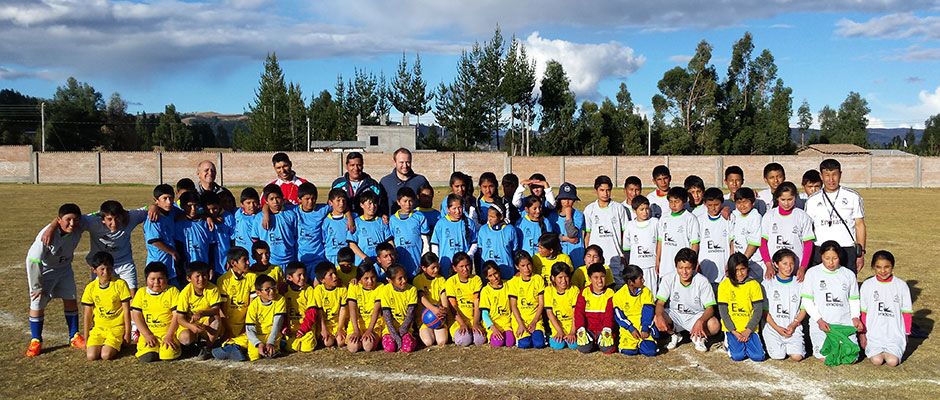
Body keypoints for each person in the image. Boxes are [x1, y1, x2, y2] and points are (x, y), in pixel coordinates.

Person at [25, 203, 86, 357]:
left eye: (75, 219)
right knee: (37, 302)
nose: (72, 223)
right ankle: (36, 340)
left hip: (65, 268)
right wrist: (36, 286)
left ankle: (74, 336)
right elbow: (33, 260)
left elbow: (98, 214)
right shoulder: (45, 236)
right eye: (68, 219)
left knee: (70, 298)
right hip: (45, 271)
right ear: (59, 220)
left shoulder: (78, 224)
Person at [801, 240, 864, 361]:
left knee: (852, 358)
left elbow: (854, 299)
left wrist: (855, 317)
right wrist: (819, 320)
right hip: (822, 324)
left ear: (839, 256)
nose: (831, 262)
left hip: (844, 323)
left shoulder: (849, 274)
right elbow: (807, 300)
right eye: (827, 258)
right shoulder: (812, 273)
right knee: (825, 357)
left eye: (834, 258)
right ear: (821, 256)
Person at [805, 159, 867, 273]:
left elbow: (860, 225)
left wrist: (861, 252)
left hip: (846, 249)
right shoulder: (812, 200)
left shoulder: (853, 196)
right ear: (821, 176)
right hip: (820, 249)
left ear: (840, 174)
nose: (831, 179)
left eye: (834, 174)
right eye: (827, 175)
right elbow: (807, 229)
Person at [655, 248, 720, 352]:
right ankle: (674, 334)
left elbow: (710, 308)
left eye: (688, 268)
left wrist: (700, 321)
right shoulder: (668, 279)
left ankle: (699, 337)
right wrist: (658, 316)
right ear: (676, 266)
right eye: (680, 268)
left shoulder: (702, 281)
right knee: (657, 317)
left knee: (714, 325)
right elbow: (660, 303)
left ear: (694, 267)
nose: (684, 272)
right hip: (675, 315)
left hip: (695, 316)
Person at [859, 250, 912, 366]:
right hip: (874, 333)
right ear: (873, 267)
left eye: (887, 267)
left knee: (892, 361)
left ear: (893, 266)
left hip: (894, 333)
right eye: (878, 267)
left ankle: (892, 349)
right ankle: (877, 349)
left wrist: (906, 334)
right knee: (877, 361)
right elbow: (863, 312)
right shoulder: (867, 285)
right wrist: (862, 334)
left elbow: (906, 312)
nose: (883, 271)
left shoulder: (901, 286)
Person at [81, 252, 132, 361]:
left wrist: (127, 333)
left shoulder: (120, 284)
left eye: (109, 268)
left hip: (116, 328)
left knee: (106, 355)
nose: (106, 272)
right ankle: (103, 343)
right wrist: (86, 338)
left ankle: (117, 344)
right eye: (102, 269)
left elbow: (127, 310)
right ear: (94, 270)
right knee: (91, 356)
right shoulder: (90, 288)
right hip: (98, 329)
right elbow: (87, 314)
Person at [760, 182, 815, 281]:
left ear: (795, 197)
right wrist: (768, 264)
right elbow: (763, 242)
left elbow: (808, 244)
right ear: (777, 198)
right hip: (773, 269)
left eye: (790, 199)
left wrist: (803, 267)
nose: (786, 203)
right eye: (783, 200)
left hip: (795, 270)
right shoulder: (769, 215)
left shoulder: (802, 216)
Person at [717, 253, 766, 362]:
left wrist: (748, 330)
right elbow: (723, 312)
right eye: (736, 270)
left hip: (750, 329)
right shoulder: (724, 285)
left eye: (742, 269)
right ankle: (728, 341)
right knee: (737, 356)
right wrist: (734, 331)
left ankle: (747, 345)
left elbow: (758, 311)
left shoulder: (754, 285)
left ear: (747, 269)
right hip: (733, 329)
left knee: (759, 357)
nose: (739, 273)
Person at [583, 175, 630, 288]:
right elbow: (587, 234)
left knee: (616, 286)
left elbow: (625, 233)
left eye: (608, 190)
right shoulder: (590, 209)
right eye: (602, 190)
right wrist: (588, 254)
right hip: (596, 258)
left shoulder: (619, 208)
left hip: (615, 256)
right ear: (596, 190)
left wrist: (624, 254)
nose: (605, 193)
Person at [131, 262, 181, 363]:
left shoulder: (172, 291)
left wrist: (169, 335)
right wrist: (147, 334)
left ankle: (176, 346)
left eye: (160, 279)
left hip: (168, 333)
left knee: (167, 356)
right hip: (149, 333)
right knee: (147, 357)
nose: (156, 282)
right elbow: (136, 315)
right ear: (146, 280)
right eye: (152, 279)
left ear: (167, 279)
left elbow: (177, 316)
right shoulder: (141, 293)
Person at [212, 246, 257, 361]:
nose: (248, 263)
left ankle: (230, 347)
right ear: (233, 263)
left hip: (245, 324)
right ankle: (231, 346)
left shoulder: (252, 277)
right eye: (245, 260)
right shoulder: (223, 280)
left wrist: (247, 326)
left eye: (248, 260)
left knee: (257, 336)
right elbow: (221, 309)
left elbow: (252, 306)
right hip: (228, 324)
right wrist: (227, 329)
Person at [762, 248, 807, 361]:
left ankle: (793, 345)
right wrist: (777, 328)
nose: (789, 267)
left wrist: (793, 325)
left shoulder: (800, 283)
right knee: (778, 356)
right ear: (776, 264)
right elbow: (764, 311)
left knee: (797, 357)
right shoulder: (768, 283)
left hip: (793, 328)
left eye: (792, 264)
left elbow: (803, 309)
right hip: (773, 329)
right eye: (785, 264)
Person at [175, 261, 223, 360]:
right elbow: (180, 318)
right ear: (189, 278)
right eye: (197, 276)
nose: (201, 279)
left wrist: (202, 312)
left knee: (216, 320)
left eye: (204, 275)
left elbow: (216, 310)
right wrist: (191, 326)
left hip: (206, 324)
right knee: (185, 338)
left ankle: (208, 347)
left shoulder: (213, 289)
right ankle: (192, 345)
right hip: (191, 324)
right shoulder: (184, 293)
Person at [613, 264, 657, 357]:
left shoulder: (646, 291)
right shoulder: (619, 295)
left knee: (650, 352)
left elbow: (648, 311)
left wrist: (645, 328)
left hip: (643, 327)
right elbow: (619, 316)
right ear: (630, 282)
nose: (643, 280)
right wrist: (631, 329)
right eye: (640, 278)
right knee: (628, 351)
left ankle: (645, 342)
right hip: (628, 329)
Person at [656, 187, 700, 278]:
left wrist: (691, 263)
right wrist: (657, 260)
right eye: (671, 201)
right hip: (665, 268)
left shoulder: (690, 218)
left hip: (682, 269)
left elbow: (695, 244)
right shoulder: (664, 218)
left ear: (684, 201)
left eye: (677, 201)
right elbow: (660, 241)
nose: (673, 205)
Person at [431, 194, 479, 277]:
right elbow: (435, 244)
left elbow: (474, 242)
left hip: (463, 266)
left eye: (460, 207)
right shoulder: (441, 223)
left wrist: (469, 254)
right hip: (446, 264)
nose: (458, 211)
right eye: (454, 208)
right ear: (448, 209)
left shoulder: (469, 223)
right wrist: (437, 260)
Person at [573, 263, 616, 354]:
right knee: (584, 349)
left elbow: (610, 315)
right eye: (596, 277)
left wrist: (607, 329)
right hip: (589, 329)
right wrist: (580, 328)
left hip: (603, 329)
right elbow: (579, 313)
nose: (599, 280)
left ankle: (600, 342)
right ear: (589, 279)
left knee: (607, 349)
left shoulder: (610, 293)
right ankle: (593, 342)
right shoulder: (584, 292)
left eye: (602, 277)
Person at [253, 184, 299, 268]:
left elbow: (295, 236)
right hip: (270, 262)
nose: (275, 201)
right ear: (266, 201)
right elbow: (255, 239)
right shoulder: (259, 218)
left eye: (277, 198)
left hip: (289, 260)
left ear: (282, 198)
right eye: (271, 199)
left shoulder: (291, 214)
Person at [445, 252, 485, 346]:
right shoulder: (450, 282)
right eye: (461, 266)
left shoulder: (476, 279)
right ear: (455, 268)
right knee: (464, 340)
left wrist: (475, 323)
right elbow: (453, 306)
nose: (465, 269)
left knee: (480, 340)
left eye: (467, 265)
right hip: (457, 321)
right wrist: (462, 324)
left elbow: (477, 303)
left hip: (472, 319)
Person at [389, 187, 431, 278]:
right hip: (400, 259)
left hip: (417, 258)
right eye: (405, 201)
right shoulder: (392, 219)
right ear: (398, 202)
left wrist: (424, 258)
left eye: (410, 201)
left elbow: (425, 239)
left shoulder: (419, 216)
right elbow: (391, 240)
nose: (408, 204)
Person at [508, 251, 546, 349]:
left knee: (539, 344)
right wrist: (521, 324)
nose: (526, 268)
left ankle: (540, 334)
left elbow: (541, 304)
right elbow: (513, 306)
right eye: (523, 266)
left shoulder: (538, 279)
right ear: (517, 267)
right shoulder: (513, 282)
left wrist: (534, 322)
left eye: (528, 265)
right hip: (520, 319)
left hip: (535, 319)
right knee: (525, 344)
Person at [145, 185, 181, 288]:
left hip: (170, 264)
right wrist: (172, 251)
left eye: (171, 198)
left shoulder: (172, 211)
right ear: (156, 200)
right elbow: (154, 241)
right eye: (164, 198)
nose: (169, 202)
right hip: (157, 262)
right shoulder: (153, 218)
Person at [244, 274, 287, 361]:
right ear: (258, 292)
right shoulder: (253, 305)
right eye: (267, 290)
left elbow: (277, 324)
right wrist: (258, 343)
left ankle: (280, 344)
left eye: (273, 288)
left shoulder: (280, 300)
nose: (272, 291)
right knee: (254, 356)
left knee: (270, 353)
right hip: (258, 335)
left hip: (273, 334)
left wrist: (271, 342)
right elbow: (249, 327)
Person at [174, 191, 217, 276]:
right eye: (189, 206)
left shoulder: (206, 224)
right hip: (188, 269)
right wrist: (181, 269)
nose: (193, 209)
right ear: (182, 206)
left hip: (204, 267)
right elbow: (179, 248)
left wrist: (211, 267)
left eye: (195, 205)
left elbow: (211, 247)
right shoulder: (179, 225)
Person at [697, 188, 732, 286]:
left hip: (724, 272)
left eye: (716, 205)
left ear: (722, 202)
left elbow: (732, 242)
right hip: (704, 270)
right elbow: (696, 244)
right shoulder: (699, 220)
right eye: (710, 205)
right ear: (704, 204)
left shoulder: (728, 219)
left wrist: (730, 263)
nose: (713, 208)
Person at [380, 148, 431, 215]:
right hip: (393, 223)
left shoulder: (420, 181)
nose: (405, 165)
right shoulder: (385, 182)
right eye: (401, 162)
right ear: (394, 162)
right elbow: (380, 205)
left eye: (408, 162)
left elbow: (427, 203)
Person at [346, 264, 384, 353]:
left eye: (373, 277)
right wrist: (356, 330)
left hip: (374, 325)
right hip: (357, 324)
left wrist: (370, 330)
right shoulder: (353, 286)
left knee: (368, 346)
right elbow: (352, 309)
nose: (370, 281)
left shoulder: (380, 287)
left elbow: (376, 310)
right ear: (359, 280)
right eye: (366, 278)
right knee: (353, 347)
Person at [380, 264, 418, 353]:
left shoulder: (412, 290)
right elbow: (387, 316)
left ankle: (414, 339)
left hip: (406, 328)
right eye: (400, 278)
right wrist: (395, 335)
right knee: (390, 348)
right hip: (390, 329)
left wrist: (402, 332)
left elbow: (410, 314)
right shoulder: (385, 290)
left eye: (405, 277)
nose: (404, 281)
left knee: (407, 348)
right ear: (390, 280)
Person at [625, 195, 659, 295]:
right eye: (641, 209)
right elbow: (626, 248)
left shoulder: (655, 222)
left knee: (651, 293)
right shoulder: (630, 225)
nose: (645, 212)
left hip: (651, 266)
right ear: (635, 210)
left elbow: (659, 243)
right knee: (637, 293)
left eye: (647, 209)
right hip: (636, 266)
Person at [348, 191, 392, 265]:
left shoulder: (382, 221)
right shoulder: (356, 222)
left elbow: (389, 241)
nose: (372, 206)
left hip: (380, 264)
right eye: (369, 203)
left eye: (375, 203)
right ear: (361, 205)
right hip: (363, 263)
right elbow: (352, 244)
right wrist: (365, 257)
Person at [414, 253, 449, 347]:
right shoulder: (418, 280)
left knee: (442, 341)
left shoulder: (441, 279)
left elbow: (443, 296)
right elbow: (422, 297)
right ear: (424, 268)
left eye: (437, 267)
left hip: (439, 316)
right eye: (433, 268)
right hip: (424, 318)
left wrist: (444, 310)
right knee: (428, 342)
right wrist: (434, 309)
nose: (436, 270)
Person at [476, 202, 518, 279]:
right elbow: (480, 251)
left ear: (501, 217)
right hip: (488, 273)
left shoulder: (510, 230)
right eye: (488, 216)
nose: (489, 218)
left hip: (507, 269)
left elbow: (514, 251)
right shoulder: (483, 229)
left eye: (492, 216)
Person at [729, 188, 764, 281]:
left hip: (752, 263)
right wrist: (732, 261)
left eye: (745, 202)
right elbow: (732, 241)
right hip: (738, 264)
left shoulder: (756, 217)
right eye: (739, 202)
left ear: (752, 202)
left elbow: (753, 243)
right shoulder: (734, 215)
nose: (742, 205)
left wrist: (742, 262)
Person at [312, 261, 349, 348]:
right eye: (330, 275)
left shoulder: (342, 289)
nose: (335, 276)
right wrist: (323, 328)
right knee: (328, 342)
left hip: (337, 323)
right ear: (322, 280)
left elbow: (343, 309)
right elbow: (319, 311)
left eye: (335, 273)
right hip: (325, 324)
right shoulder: (318, 291)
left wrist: (340, 328)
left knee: (341, 342)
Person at [283, 261, 317, 353]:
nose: (303, 278)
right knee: (291, 348)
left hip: (306, 327)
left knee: (307, 348)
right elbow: (283, 312)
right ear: (289, 277)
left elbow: (312, 312)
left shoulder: (309, 290)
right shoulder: (285, 291)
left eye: (304, 275)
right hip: (292, 329)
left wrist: (303, 329)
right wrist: (285, 327)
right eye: (299, 275)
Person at [478, 261, 514, 348]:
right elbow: (485, 313)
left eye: (495, 273)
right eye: (490, 276)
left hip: (506, 323)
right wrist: (493, 328)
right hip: (493, 324)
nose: (494, 277)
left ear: (499, 271)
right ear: (486, 277)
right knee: (498, 343)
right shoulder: (486, 291)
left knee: (510, 343)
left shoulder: (508, 285)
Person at [296, 182, 330, 273]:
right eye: (307, 199)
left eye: (313, 198)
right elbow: (269, 206)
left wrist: (349, 217)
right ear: (299, 199)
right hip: (301, 259)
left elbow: (340, 207)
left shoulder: (322, 209)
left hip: (318, 259)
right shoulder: (294, 211)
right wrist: (266, 213)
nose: (310, 202)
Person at [545, 263, 579, 350]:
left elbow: (576, 313)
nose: (564, 280)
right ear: (553, 278)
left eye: (566, 277)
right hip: (557, 326)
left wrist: (572, 332)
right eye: (560, 277)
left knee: (574, 345)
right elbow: (550, 313)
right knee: (558, 345)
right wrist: (559, 331)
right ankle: (549, 335)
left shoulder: (574, 290)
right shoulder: (549, 291)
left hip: (572, 325)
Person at [203, 192, 235, 279]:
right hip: (210, 265)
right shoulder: (203, 220)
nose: (212, 212)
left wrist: (231, 258)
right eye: (208, 209)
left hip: (226, 262)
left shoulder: (228, 217)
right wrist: (208, 217)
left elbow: (233, 240)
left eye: (215, 208)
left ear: (219, 205)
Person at [554, 182, 585, 265]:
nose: (567, 202)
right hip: (559, 255)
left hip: (576, 255)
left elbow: (572, 234)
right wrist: (565, 239)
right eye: (564, 198)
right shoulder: (553, 216)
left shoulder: (578, 215)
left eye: (570, 199)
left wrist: (568, 216)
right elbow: (551, 236)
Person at [323, 189, 351, 265]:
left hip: (346, 258)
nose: (341, 203)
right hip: (330, 256)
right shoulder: (325, 221)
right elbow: (323, 240)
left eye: (343, 200)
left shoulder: (351, 219)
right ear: (330, 202)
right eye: (338, 200)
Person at [233, 187, 260, 253]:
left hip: (252, 254)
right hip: (239, 253)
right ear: (242, 204)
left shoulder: (260, 217)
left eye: (254, 202)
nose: (252, 205)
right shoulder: (237, 213)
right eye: (248, 203)